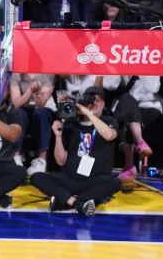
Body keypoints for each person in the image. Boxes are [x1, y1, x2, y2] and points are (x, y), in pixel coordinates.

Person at [30, 87, 121, 216]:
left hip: (95, 180)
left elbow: (109, 135)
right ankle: (77, 203)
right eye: (91, 100)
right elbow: (61, 161)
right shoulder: (71, 124)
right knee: (37, 177)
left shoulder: (109, 121)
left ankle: (63, 199)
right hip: (70, 177)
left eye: (98, 101)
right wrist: (57, 136)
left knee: (115, 183)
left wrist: (89, 114)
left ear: (104, 104)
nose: (94, 104)